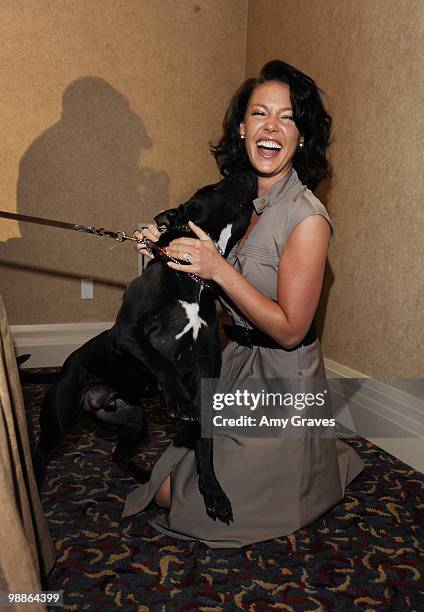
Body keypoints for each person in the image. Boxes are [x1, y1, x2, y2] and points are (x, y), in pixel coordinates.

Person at [122, 60, 364, 547]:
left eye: (288, 117)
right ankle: (317, 456)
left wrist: (217, 269)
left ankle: (311, 462)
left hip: (282, 381)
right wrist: (162, 243)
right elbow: (194, 249)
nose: (271, 127)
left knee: (176, 496)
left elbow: (292, 330)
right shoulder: (237, 196)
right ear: (242, 127)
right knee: (167, 480)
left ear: (302, 135)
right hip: (234, 362)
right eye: (259, 113)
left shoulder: (306, 219)